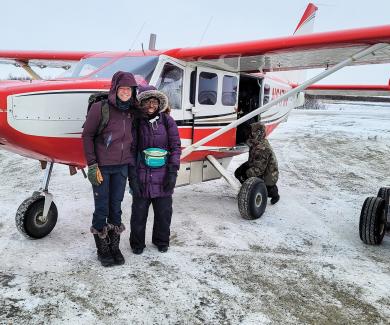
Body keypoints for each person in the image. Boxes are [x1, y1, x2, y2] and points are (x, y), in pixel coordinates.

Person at [82, 71, 139, 267]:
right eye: (122, 88)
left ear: (133, 91)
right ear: (115, 89)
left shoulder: (132, 110)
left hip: (121, 168)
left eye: (129, 89)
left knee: (116, 207)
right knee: (101, 208)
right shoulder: (100, 108)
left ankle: (114, 247)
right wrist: (92, 164)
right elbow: (87, 136)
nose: (125, 92)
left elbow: (152, 106)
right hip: (102, 168)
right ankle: (102, 249)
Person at [128, 85, 181, 254]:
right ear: (141, 104)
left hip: (163, 176)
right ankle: (137, 244)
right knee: (138, 214)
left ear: (159, 104)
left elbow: (175, 147)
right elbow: (131, 150)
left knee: (164, 213)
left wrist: (172, 172)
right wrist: (133, 178)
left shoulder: (168, 121)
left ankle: (161, 241)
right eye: (147, 102)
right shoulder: (135, 123)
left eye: (154, 102)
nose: (151, 105)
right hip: (142, 175)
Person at [234, 122, 280, 204]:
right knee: (238, 172)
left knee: (265, 185)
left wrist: (246, 175)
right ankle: (250, 188)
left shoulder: (263, 149)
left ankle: (274, 194)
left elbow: (259, 169)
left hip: (268, 174)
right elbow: (248, 141)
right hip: (257, 165)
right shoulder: (257, 141)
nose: (249, 133)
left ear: (257, 133)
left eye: (251, 132)